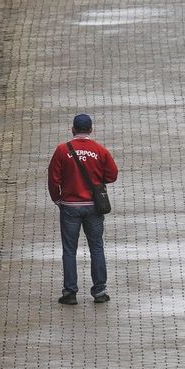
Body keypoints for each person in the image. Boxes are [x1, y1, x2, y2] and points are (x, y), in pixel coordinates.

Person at [48, 113, 119, 305]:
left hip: (70, 206)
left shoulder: (62, 150)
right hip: (94, 207)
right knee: (96, 247)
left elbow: (54, 179)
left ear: (73, 129)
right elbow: (112, 175)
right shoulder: (100, 150)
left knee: (69, 250)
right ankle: (99, 291)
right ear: (90, 130)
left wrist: (57, 199)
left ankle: (70, 292)